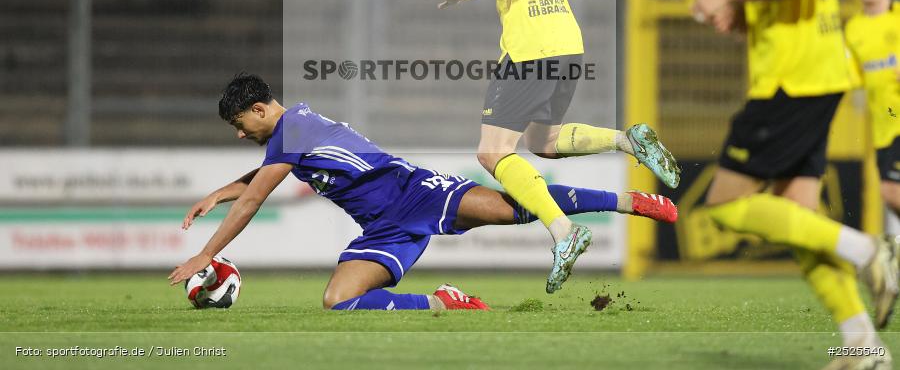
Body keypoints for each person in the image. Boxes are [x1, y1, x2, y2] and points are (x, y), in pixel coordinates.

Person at [412, 0, 681, 294]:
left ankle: (563, 231)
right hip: (567, 40)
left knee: (493, 153)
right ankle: (626, 139)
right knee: (542, 141)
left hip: (531, 45)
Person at [691, 0, 895, 368]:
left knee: (726, 205)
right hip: (823, 60)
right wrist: (756, 11)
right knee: (799, 217)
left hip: (793, 71)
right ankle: (862, 344)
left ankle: (868, 251)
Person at [168, 74, 678, 311]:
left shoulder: (291, 131)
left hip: (414, 192)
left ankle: (632, 202)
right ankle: (441, 303)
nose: (240, 134)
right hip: (385, 227)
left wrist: (205, 254)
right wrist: (219, 193)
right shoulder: (290, 132)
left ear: (259, 110)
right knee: (338, 300)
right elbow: (258, 180)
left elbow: (258, 195)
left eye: (240, 124)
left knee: (513, 208)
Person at [845, 0, 900, 222]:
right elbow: (851, 77)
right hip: (884, 122)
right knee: (890, 194)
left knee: (892, 191)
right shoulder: (854, 29)